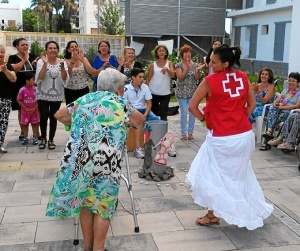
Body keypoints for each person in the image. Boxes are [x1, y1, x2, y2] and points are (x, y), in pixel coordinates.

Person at [46, 68, 145, 251]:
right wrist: (126, 124)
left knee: (86, 201)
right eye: (122, 87)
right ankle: (99, 249)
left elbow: (59, 115)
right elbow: (139, 120)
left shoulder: (84, 99)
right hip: (106, 162)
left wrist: (75, 124)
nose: (123, 90)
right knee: (103, 205)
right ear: (116, 88)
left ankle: (88, 247)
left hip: (81, 161)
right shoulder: (120, 103)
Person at [186, 44, 273, 230]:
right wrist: (241, 118)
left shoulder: (209, 81)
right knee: (239, 176)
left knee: (213, 175)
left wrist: (205, 121)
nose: (210, 64)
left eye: (214, 62)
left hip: (222, 137)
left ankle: (212, 215)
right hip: (243, 135)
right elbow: (251, 104)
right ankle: (247, 208)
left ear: (225, 63)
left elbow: (192, 106)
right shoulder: (243, 77)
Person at [36, 41, 69, 150]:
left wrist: (63, 68)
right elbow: (40, 77)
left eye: (55, 48)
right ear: (46, 50)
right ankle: (43, 138)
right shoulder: (41, 61)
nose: (53, 50)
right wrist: (45, 64)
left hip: (57, 95)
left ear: (58, 50)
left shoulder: (62, 62)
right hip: (43, 94)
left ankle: (51, 139)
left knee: (54, 117)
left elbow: (65, 79)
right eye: (50, 48)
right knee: (43, 116)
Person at [124, 68, 160, 159]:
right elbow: (124, 105)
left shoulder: (145, 87)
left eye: (143, 77)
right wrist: (136, 116)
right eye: (139, 77)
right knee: (139, 123)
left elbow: (149, 103)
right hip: (132, 111)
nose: (142, 79)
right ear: (133, 77)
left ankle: (161, 145)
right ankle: (137, 149)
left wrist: (145, 115)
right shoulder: (126, 89)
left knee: (158, 121)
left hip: (144, 110)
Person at [7, 38, 38, 141]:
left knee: (35, 108)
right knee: (22, 109)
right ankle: (23, 132)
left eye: (26, 44)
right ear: (17, 46)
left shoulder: (33, 56)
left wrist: (36, 63)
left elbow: (38, 68)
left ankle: (36, 133)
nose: (25, 46)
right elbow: (14, 69)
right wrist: (24, 59)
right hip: (19, 86)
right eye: (23, 45)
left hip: (33, 87)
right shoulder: (13, 57)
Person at [260, 72, 300, 151]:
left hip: (289, 112)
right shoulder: (285, 91)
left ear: (298, 83)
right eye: (290, 80)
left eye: (293, 81)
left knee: (273, 117)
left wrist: (282, 107)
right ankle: (269, 131)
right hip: (280, 112)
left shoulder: (299, 93)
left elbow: (296, 106)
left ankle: (267, 139)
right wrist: (275, 103)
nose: (291, 82)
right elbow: (277, 100)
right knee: (272, 109)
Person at [175, 44, 202, 140]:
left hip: (192, 92)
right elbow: (180, 77)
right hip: (181, 92)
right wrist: (186, 68)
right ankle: (183, 133)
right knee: (184, 112)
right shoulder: (178, 65)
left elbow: (197, 78)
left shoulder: (195, 65)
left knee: (192, 112)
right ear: (182, 55)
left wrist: (198, 71)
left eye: (189, 53)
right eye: (185, 53)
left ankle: (190, 133)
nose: (187, 55)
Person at [146, 44, 175, 121]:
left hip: (165, 93)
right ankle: (153, 131)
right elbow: (148, 78)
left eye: (163, 51)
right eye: (160, 51)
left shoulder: (169, 63)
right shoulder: (153, 65)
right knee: (153, 113)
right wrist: (146, 91)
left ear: (166, 53)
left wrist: (167, 69)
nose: (161, 52)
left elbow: (172, 75)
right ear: (157, 53)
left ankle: (163, 132)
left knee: (164, 114)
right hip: (153, 92)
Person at [0, 45, 17, 153]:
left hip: (5, 100)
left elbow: (13, 79)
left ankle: (0, 144)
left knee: (3, 123)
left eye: (3, 52)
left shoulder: (9, 67)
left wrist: (5, 70)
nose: (1, 54)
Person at [16, 72, 40, 145]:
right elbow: (18, 99)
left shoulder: (36, 89)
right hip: (25, 112)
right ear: (27, 81)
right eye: (33, 79)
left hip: (34, 111)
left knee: (35, 124)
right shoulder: (22, 90)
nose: (34, 81)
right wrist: (25, 108)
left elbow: (39, 100)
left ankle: (35, 137)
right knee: (25, 124)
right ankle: (25, 137)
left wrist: (35, 108)